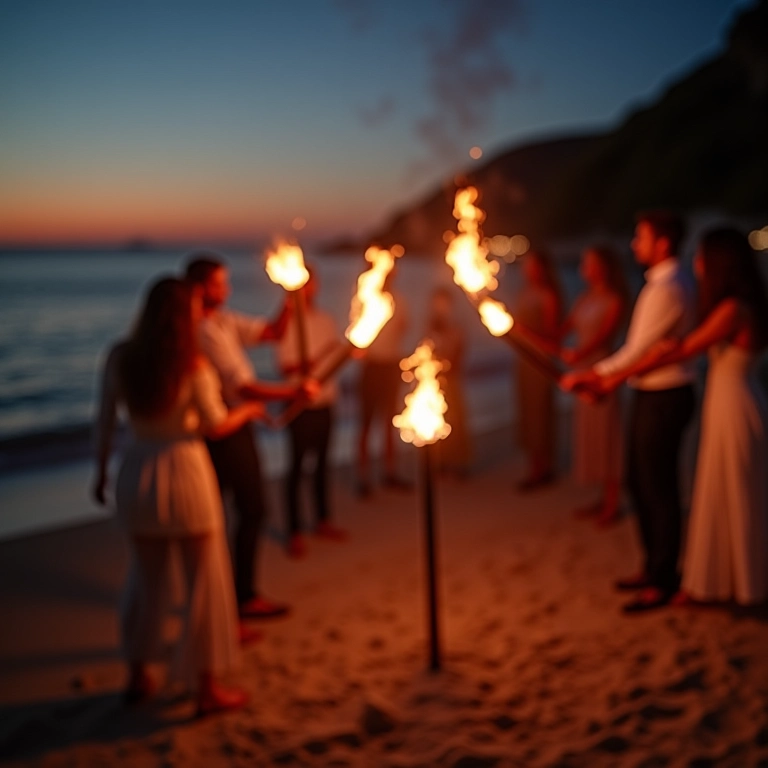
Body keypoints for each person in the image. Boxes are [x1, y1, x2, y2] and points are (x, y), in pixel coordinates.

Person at [93, 277, 262, 715]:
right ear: (183, 316)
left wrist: (99, 472)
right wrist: (246, 411)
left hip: (137, 473)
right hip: (185, 472)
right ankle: (205, 688)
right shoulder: (194, 366)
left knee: (145, 581)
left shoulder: (120, 357)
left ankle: (137, 675)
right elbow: (213, 425)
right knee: (203, 582)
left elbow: (105, 420)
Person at [595, 227, 768, 606]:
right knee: (721, 487)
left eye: (703, 257)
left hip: (736, 406)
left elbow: (684, 350)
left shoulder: (732, 309)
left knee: (735, 490)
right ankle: (726, 582)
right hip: (730, 402)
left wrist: (618, 376)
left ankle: (744, 586)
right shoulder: (736, 305)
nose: (697, 264)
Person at [562, 211, 697, 613]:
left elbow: (637, 350)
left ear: (663, 243)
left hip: (664, 395)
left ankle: (661, 578)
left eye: (641, 237)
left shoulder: (667, 287)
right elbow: (638, 351)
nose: (635, 244)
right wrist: (600, 377)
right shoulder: (667, 283)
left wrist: (595, 375)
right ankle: (653, 567)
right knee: (641, 482)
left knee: (657, 488)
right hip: (654, 392)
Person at [185, 255, 308, 620]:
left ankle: (231, 598)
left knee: (242, 511)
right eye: (220, 284)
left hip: (239, 425)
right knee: (243, 510)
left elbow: (272, 333)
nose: (228, 289)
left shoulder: (223, 320)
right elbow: (244, 387)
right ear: (200, 288)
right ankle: (237, 599)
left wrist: (291, 297)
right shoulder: (203, 332)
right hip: (223, 432)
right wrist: (293, 392)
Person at [276, 268, 348, 558]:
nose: (308, 288)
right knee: (296, 468)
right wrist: (313, 361)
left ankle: (322, 520)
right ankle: (293, 531)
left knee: (322, 464)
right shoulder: (287, 325)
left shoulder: (326, 319)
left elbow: (336, 355)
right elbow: (286, 368)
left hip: (326, 402)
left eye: (312, 282)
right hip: (299, 405)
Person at [560, 245, 629, 525]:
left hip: (602, 372)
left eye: (588, 263)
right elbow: (562, 331)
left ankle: (613, 503)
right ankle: (602, 497)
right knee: (591, 436)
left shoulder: (615, 300)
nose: (583, 268)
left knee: (607, 435)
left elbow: (603, 337)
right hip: (580, 372)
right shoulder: (584, 299)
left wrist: (580, 353)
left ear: (604, 267)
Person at [356, 265, 411, 497]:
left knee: (390, 422)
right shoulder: (365, 298)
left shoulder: (399, 300)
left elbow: (403, 327)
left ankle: (389, 472)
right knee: (366, 424)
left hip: (391, 365)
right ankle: (363, 477)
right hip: (372, 367)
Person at [511, 248, 563, 490]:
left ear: (541, 268)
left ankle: (543, 468)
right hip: (523, 361)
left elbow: (553, 337)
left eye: (530, 265)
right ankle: (534, 465)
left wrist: (525, 333)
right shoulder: (524, 293)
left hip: (539, 361)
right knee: (528, 412)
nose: (526, 270)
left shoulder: (547, 295)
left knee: (540, 413)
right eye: (525, 265)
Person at [426, 286, 471, 476]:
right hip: (436, 380)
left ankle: (459, 463)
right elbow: (427, 351)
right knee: (439, 419)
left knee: (456, 419)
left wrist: (450, 366)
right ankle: (441, 462)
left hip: (451, 379)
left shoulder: (455, 327)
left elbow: (459, 351)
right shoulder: (431, 326)